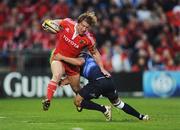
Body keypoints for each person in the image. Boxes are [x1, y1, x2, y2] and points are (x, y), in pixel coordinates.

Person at [41, 11, 110, 111]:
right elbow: (55, 23)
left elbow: (95, 53)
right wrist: (47, 23)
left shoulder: (88, 39)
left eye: (87, 27)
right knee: (56, 75)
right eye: (83, 25)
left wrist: (102, 68)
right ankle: (47, 99)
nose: (84, 29)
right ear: (79, 22)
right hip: (58, 57)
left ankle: (89, 103)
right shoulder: (67, 22)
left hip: (72, 64)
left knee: (77, 89)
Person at [56, 52, 149, 121]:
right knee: (119, 104)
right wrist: (60, 82)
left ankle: (104, 109)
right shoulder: (84, 60)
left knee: (77, 101)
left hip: (98, 82)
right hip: (108, 81)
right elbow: (71, 79)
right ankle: (141, 116)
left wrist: (62, 57)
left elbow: (79, 63)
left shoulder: (82, 57)